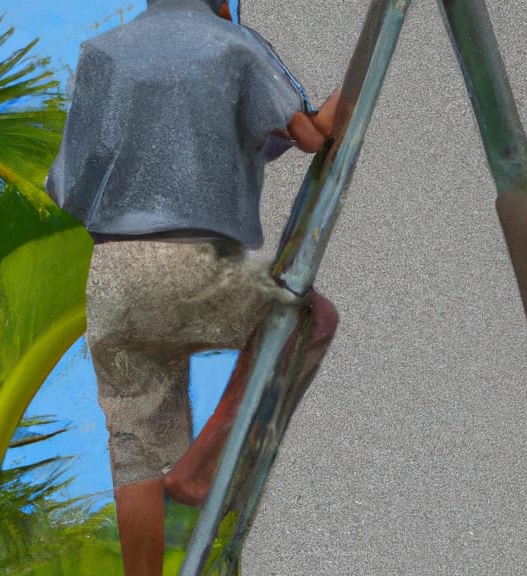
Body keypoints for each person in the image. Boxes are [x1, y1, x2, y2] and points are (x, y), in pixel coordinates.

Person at [46, 1, 339, 574]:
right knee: (309, 319)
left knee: (133, 447)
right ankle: (204, 466)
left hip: (113, 272)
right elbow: (312, 135)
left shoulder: (100, 53)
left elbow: (67, 183)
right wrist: (350, 95)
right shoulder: (231, 43)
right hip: (192, 262)